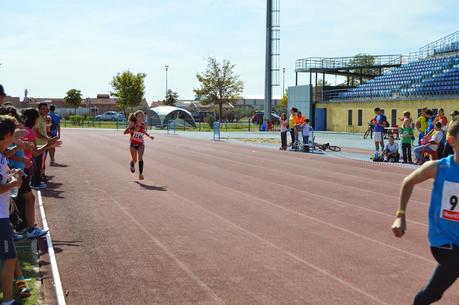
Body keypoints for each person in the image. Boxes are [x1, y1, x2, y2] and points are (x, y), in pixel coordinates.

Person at [392, 118, 459, 305]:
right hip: (443, 241)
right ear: (452, 140)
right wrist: (400, 216)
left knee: (434, 294)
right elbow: (408, 181)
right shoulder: (438, 167)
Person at [0, 114, 24, 305]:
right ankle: (7, 300)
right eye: (13, 134)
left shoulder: (1, 155)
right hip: (0, 216)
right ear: (7, 134)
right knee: (9, 257)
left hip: (3, 213)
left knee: (9, 256)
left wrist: (10, 176)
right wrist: (14, 182)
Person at [123, 111, 154, 180]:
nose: (142, 118)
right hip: (133, 145)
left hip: (141, 144)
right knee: (135, 160)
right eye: (140, 116)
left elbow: (144, 132)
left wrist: (149, 136)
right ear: (136, 117)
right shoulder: (132, 124)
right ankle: (132, 164)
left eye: (143, 116)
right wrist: (133, 130)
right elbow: (125, 132)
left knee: (140, 157)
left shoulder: (143, 125)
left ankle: (140, 174)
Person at [33, 103, 49, 188]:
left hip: (43, 144)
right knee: (38, 165)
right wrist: (47, 139)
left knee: (40, 164)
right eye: (43, 108)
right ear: (39, 109)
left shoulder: (43, 118)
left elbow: (43, 131)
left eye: (46, 109)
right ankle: (36, 183)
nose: (45, 110)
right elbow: (36, 132)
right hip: (39, 145)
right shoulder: (38, 118)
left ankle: (38, 181)